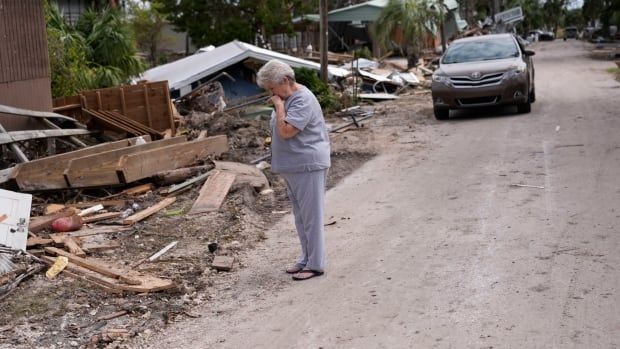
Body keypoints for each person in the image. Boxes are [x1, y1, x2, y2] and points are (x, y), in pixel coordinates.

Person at [256, 59, 331, 281]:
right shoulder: (288, 98)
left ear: (285, 81)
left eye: (272, 88)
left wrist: (279, 107)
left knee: (311, 216)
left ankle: (316, 263)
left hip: (308, 165)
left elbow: (287, 131)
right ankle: (306, 257)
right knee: (301, 216)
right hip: (294, 166)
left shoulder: (302, 99)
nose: (271, 94)